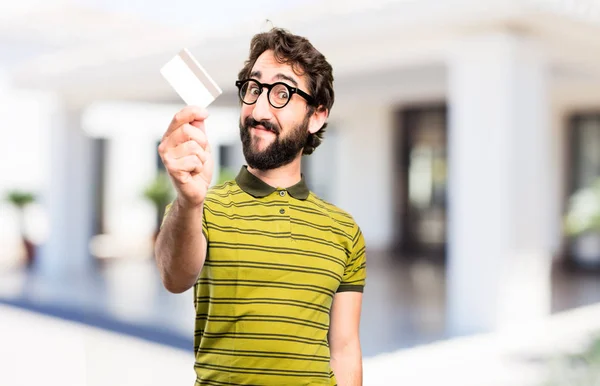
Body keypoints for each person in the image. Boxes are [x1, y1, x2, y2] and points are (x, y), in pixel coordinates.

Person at [155, 27, 366, 386]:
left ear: (317, 116)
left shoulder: (344, 230)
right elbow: (174, 278)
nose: (259, 108)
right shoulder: (201, 207)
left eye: (282, 93)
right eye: (253, 89)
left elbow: (344, 349)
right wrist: (189, 203)